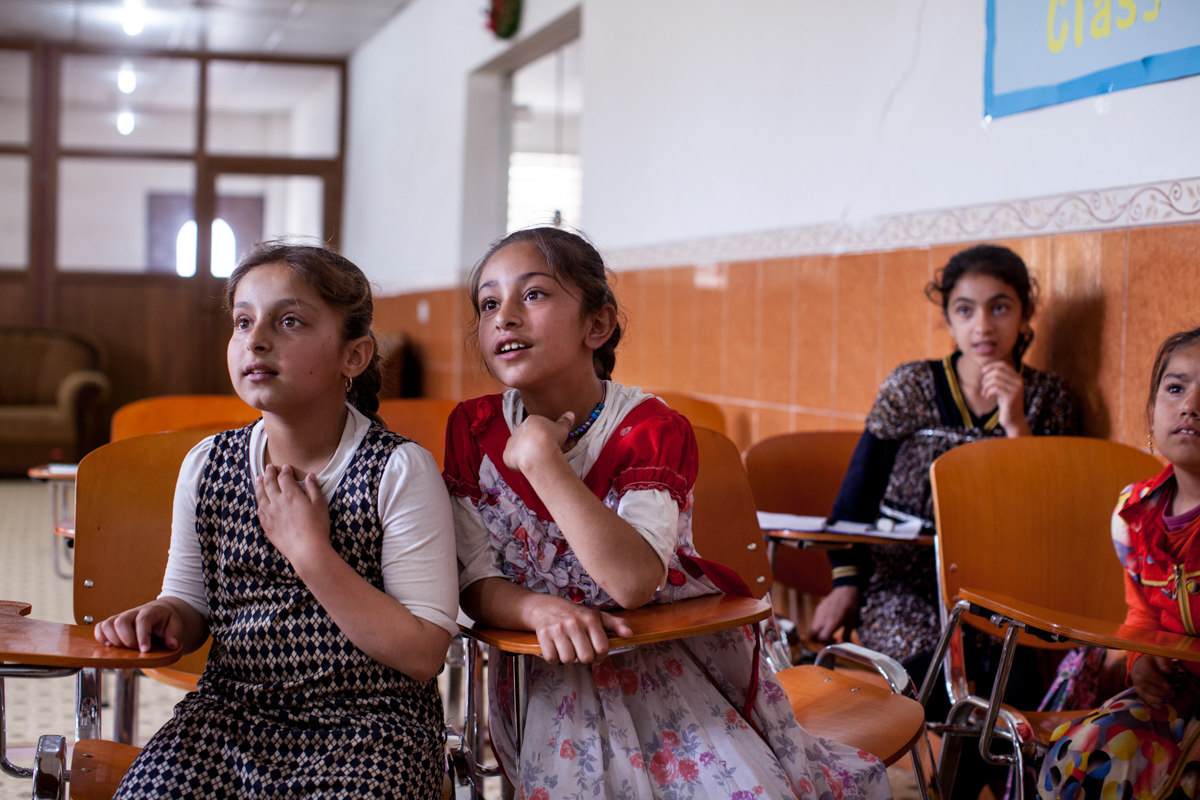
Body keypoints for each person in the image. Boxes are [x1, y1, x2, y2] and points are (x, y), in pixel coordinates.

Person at [444, 227, 892, 799]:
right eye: (488, 303)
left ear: (596, 325)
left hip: (668, 661)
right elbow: (474, 579)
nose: (504, 316)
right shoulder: (474, 429)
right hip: (548, 673)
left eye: (532, 295)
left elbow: (631, 581)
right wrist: (536, 608)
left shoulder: (650, 430)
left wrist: (541, 462)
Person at [94, 242, 458, 799]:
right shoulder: (208, 464)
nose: (256, 339)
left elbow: (422, 653)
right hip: (229, 716)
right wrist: (163, 615)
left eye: (289, 321)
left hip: (373, 727)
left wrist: (311, 554)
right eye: (243, 322)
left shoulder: (398, 468)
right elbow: (189, 606)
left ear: (353, 356)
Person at [809, 244, 1080, 796]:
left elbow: (1052, 521)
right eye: (965, 309)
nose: (983, 325)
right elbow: (854, 504)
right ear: (949, 318)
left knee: (1017, 692)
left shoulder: (1048, 398)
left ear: (1025, 315)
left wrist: (1015, 429)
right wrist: (846, 585)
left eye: (1000, 307)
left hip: (1008, 598)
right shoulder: (910, 386)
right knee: (929, 685)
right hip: (906, 589)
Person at [1038, 327, 1200, 799]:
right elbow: (1142, 616)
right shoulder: (1134, 513)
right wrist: (1141, 662)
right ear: (1152, 414)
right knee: (1084, 754)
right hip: (1172, 703)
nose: (1191, 405)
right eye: (1176, 388)